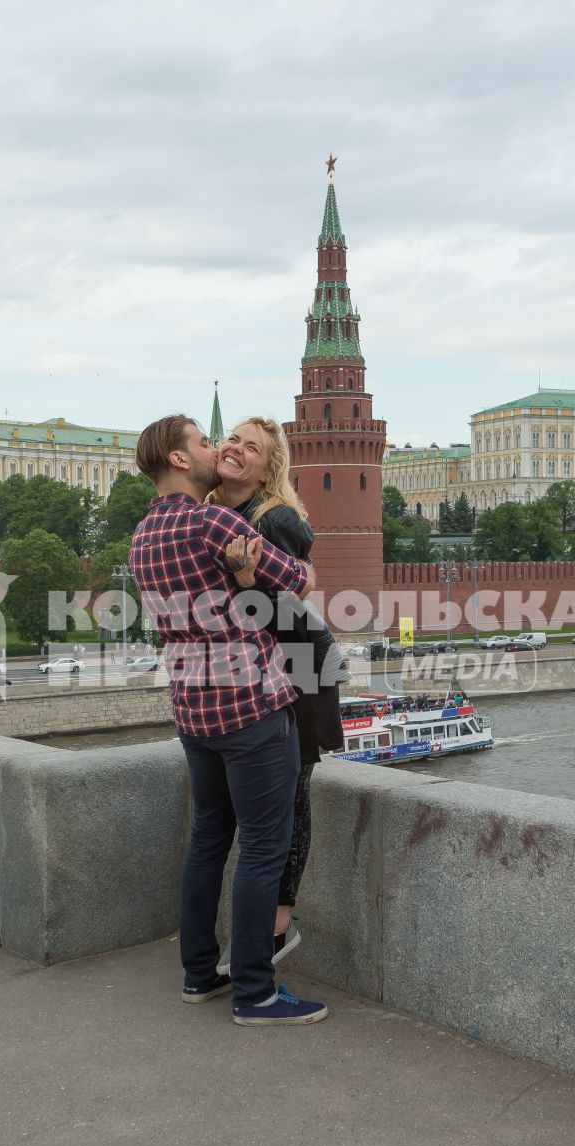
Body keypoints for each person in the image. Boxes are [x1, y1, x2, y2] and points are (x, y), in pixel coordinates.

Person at [128, 413, 328, 1027]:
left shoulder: (141, 535)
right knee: (264, 847)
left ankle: (198, 974)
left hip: (191, 707)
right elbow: (297, 580)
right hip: (249, 706)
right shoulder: (211, 519)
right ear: (183, 460)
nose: (218, 449)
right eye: (206, 441)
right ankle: (256, 992)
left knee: (208, 840)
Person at [209, 416, 345, 975]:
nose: (236, 449)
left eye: (252, 447)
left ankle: (278, 926)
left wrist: (244, 586)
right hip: (259, 667)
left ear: (269, 468)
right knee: (265, 799)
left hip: (299, 663)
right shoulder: (217, 510)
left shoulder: (275, 518)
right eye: (232, 439)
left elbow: (284, 605)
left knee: (292, 791)